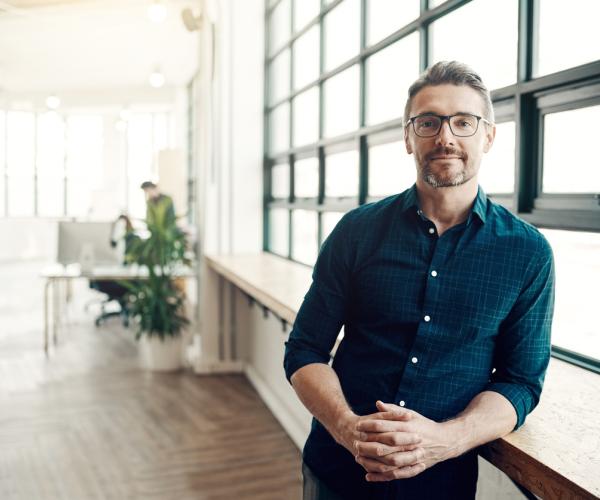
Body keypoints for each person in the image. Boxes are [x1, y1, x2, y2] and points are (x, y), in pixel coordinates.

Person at [283, 61, 555, 500]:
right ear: (408, 138)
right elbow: (304, 349)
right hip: (337, 470)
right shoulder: (356, 232)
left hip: (440, 485)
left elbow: (521, 381)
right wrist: (348, 428)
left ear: (488, 136)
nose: (445, 137)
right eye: (428, 122)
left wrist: (447, 440)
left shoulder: (528, 253)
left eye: (464, 122)